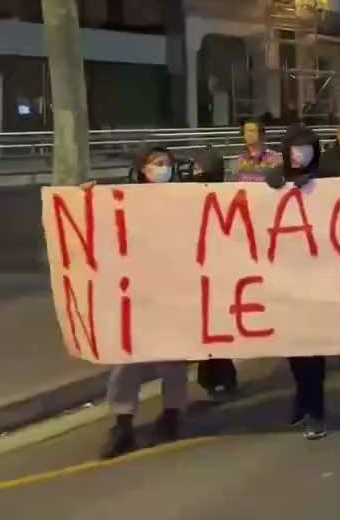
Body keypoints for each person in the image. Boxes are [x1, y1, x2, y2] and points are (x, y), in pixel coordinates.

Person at [100, 145, 190, 459]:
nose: (162, 168)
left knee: (173, 360)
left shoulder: (185, 199)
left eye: (167, 163)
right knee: (127, 360)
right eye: (156, 163)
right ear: (143, 169)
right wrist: (84, 197)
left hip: (174, 292)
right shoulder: (124, 199)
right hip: (135, 294)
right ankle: (123, 423)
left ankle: (171, 415)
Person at [268, 125, 330, 440]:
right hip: (285, 278)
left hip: (318, 277)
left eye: (308, 147)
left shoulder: (329, 177)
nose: (302, 153)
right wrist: (272, 186)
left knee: (312, 351)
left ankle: (315, 412)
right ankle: (302, 398)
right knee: (294, 348)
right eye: (296, 147)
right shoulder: (277, 177)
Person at [188, 148, 240, 400]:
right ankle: (211, 377)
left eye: (200, 168)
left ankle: (222, 377)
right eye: (194, 168)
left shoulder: (228, 196)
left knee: (217, 328)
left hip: (220, 273)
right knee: (203, 329)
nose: (196, 172)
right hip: (196, 273)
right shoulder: (182, 195)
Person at [233, 118, 282, 182]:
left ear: (260, 134)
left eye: (252, 131)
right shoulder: (240, 159)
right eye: (246, 131)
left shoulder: (274, 157)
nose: (249, 134)